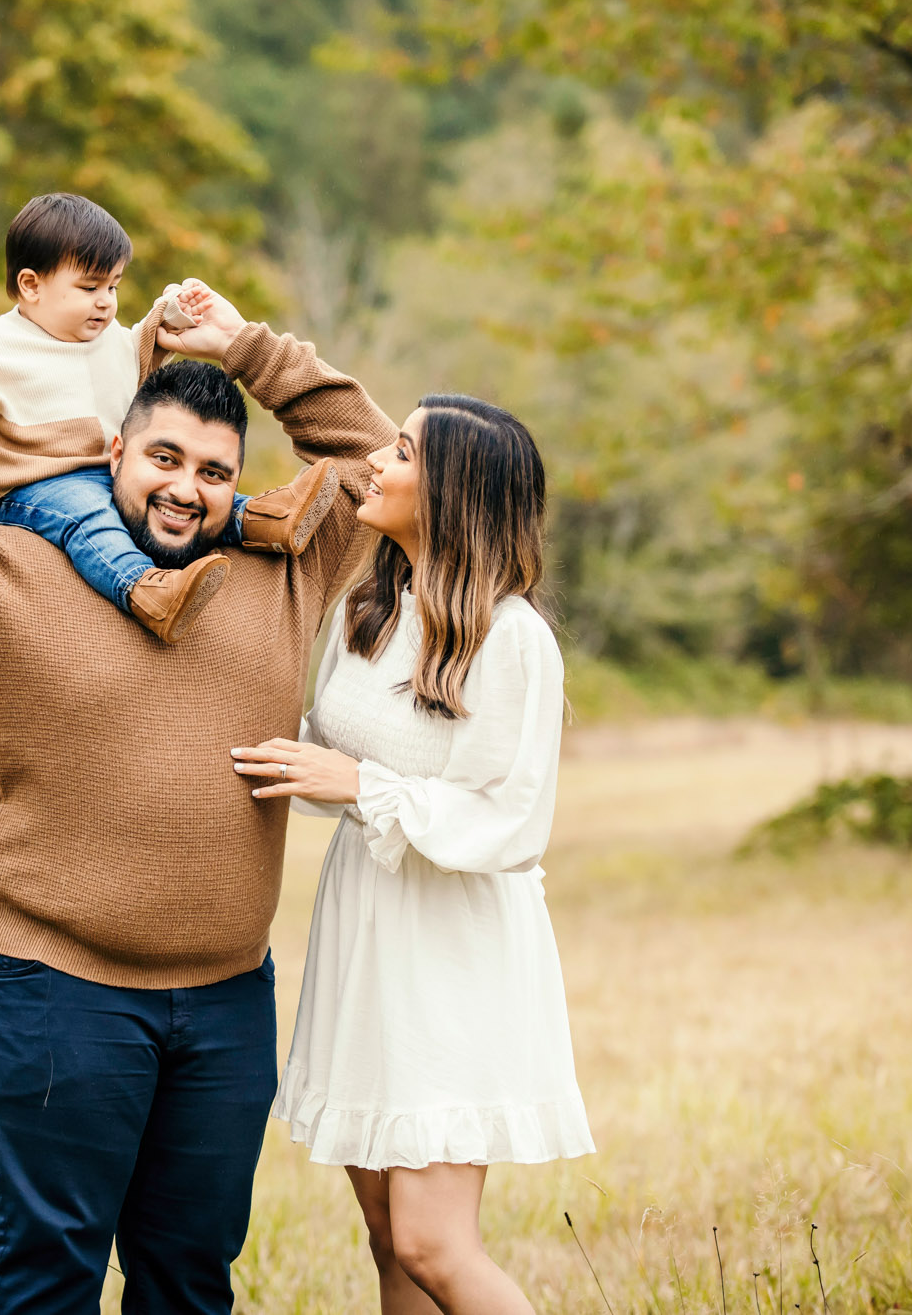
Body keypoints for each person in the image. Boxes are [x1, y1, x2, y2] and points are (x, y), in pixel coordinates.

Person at [0, 281, 395, 1314]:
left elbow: (374, 455)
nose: (187, 488)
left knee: (190, 1272)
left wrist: (244, 347)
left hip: (223, 997)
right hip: (46, 978)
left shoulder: (282, 573)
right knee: (51, 1267)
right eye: (163, 458)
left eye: (214, 471)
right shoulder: (3, 568)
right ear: (112, 453)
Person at [230, 394, 596, 1315]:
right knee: (391, 1238)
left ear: (456, 492)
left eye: (401, 450)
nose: (379, 463)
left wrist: (361, 787)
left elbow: (512, 821)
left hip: (451, 951)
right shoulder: (371, 608)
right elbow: (320, 746)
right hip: (367, 934)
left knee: (435, 1242)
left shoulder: (512, 639)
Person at [0, 192, 340, 644]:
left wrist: (171, 315)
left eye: (113, 287)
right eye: (90, 288)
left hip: (109, 470)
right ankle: (145, 588)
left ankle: (261, 519)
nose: (105, 303)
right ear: (31, 285)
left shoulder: (106, 337)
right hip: (36, 488)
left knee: (190, 492)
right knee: (91, 518)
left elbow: (138, 356)